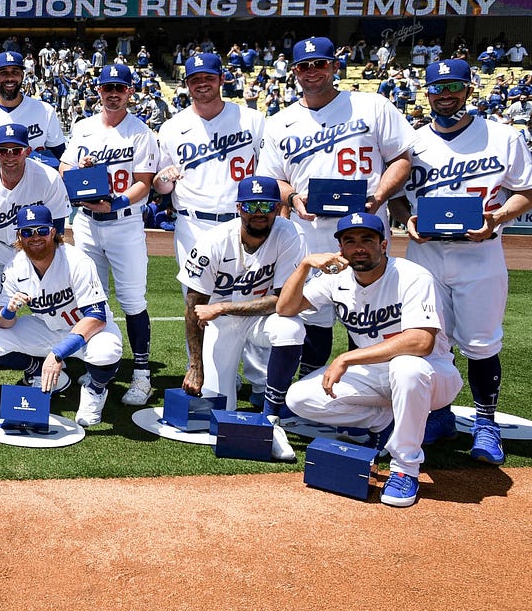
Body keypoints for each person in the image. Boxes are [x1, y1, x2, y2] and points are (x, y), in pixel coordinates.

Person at [390, 59, 532, 465]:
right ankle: (439, 416)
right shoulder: (413, 142)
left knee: (482, 343)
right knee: (430, 340)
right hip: (426, 255)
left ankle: (486, 424)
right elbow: (397, 196)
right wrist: (405, 220)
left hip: (481, 254)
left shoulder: (503, 136)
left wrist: (498, 218)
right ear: (427, 93)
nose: (445, 94)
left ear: (469, 90)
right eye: (438, 88)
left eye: (454, 86)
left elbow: (526, 190)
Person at [275, 213, 462, 508]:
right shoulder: (336, 279)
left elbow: (421, 342)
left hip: (433, 373)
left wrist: (348, 357)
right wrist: (305, 265)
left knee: (406, 367)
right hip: (375, 374)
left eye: (367, 240)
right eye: (350, 241)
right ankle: (385, 421)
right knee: (299, 399)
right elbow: (286, 308)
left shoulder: (413, 276)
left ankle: (405, 469)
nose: (359, 247)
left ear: (384, 244)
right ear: (341, 250)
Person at [260, 36, 413, 379]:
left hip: (365, 228)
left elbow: (402, 160)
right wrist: (292, 198)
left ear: (335, 66)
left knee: (372, 311)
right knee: (313, 315)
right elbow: (274, 180)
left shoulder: (372, 106)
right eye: (304, 66)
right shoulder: (279, 121)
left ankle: (371, 389)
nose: (312, 71)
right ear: (294, 72)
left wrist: (378, 197)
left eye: (320, 64)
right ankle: (312, 385)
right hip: (311, 232)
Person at [154, 52, 268, 399]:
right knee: (197, 300)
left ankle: (260, 381)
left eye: (208, 77)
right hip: (193, 224)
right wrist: (163, 179)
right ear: (186, 84)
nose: (201, 84)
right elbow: (161, 186)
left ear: (221, 79)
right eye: (194, 79)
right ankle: (209, 374)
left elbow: (269, 170)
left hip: (243, 222)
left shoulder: (252, 119)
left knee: (251, 294)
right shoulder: (173, 127)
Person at [177, 176, 306, 461]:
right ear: (238, 208)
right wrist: (194, 366)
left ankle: (272, 419)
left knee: (290, 328)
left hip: (258, 317)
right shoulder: (213, 241)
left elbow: (284, 302)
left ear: (277, 208)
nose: (259, 212)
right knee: (219, 409)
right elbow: (193, 307)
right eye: (251, 205)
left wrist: (224, 307)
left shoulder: (289, 234)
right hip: (220, 324)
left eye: (266, 205)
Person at [62, 63, 159, 406]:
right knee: (91, 299)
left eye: (120, 87)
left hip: (124, 222)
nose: (113, 93)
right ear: (98, 91)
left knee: (133, 301)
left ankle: (143, 375)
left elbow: (144, 183)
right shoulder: (84, 127)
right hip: (87, 222)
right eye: (108, 88)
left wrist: (115, 203)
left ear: (130, 91)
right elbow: (63, 168)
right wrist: (79, 170)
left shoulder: (141, 132)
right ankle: (101, 365)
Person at [0, 205, 123, 426]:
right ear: (19, 236)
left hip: (87, 331)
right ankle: (38, 372)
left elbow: (96, 316)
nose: (35, 237)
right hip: (49, 328)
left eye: (41, 231)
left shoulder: (76, 260)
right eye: (27, 232)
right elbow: (3, 322)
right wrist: (9, 310)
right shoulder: (15, 267)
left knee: (106, 352)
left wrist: (57, 354)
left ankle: (95, 389)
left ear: (53, 232)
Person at [0, 123, 71, 318]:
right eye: (3, 151)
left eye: (16, 150)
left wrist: (46, 260)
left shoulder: (48, 178)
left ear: (27, 151)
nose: (9, 156)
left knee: (47, 298)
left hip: (30, 246)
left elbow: (58, 227)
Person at [0, 52, 66, 157]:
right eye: (3, 73)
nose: (10, 78)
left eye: (15, 72)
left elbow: (59, 155)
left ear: (22, 76)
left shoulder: (44, 110)